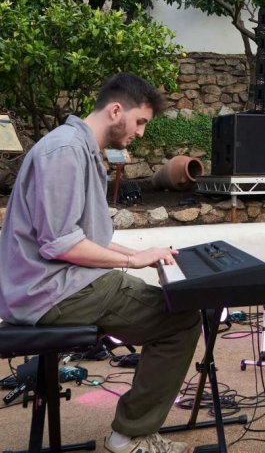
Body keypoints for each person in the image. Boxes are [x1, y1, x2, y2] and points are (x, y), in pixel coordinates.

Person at [0, 73, 202, 453]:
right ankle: (130, 435)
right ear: (115, 111)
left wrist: (139, 256)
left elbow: (84, 238)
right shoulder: (64, 152)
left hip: (56, 285)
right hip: (50, 291)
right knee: (181, 319)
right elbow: (60, 243)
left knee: (173, 307)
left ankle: (134, 429)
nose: (141, 133)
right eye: (140, 122)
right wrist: (133, 260)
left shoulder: (81, 149)